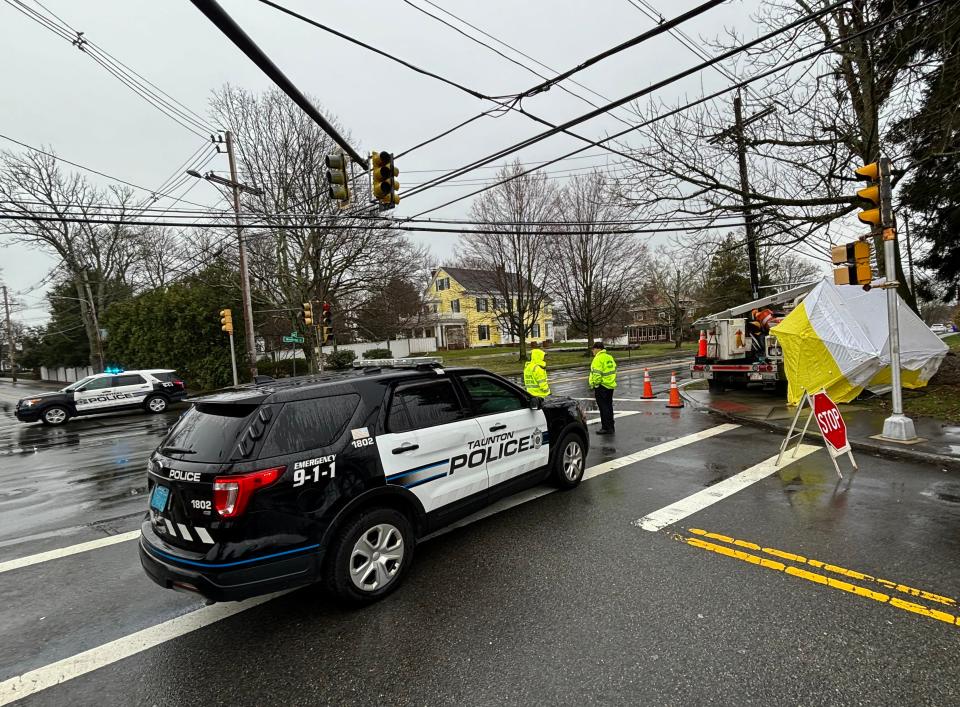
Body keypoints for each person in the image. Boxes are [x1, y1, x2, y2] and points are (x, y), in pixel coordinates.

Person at [588, 341, 617, 434]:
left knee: (603, 407)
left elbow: (596, 374)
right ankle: (611, 426)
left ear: (597, 349)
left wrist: (595, 384)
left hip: (601, 386)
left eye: (593, 349)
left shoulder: (597, 359)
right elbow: (614, 369)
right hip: (610, 385)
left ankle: (606, 427)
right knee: (609, 406)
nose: (592, 351)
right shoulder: (609, 357)